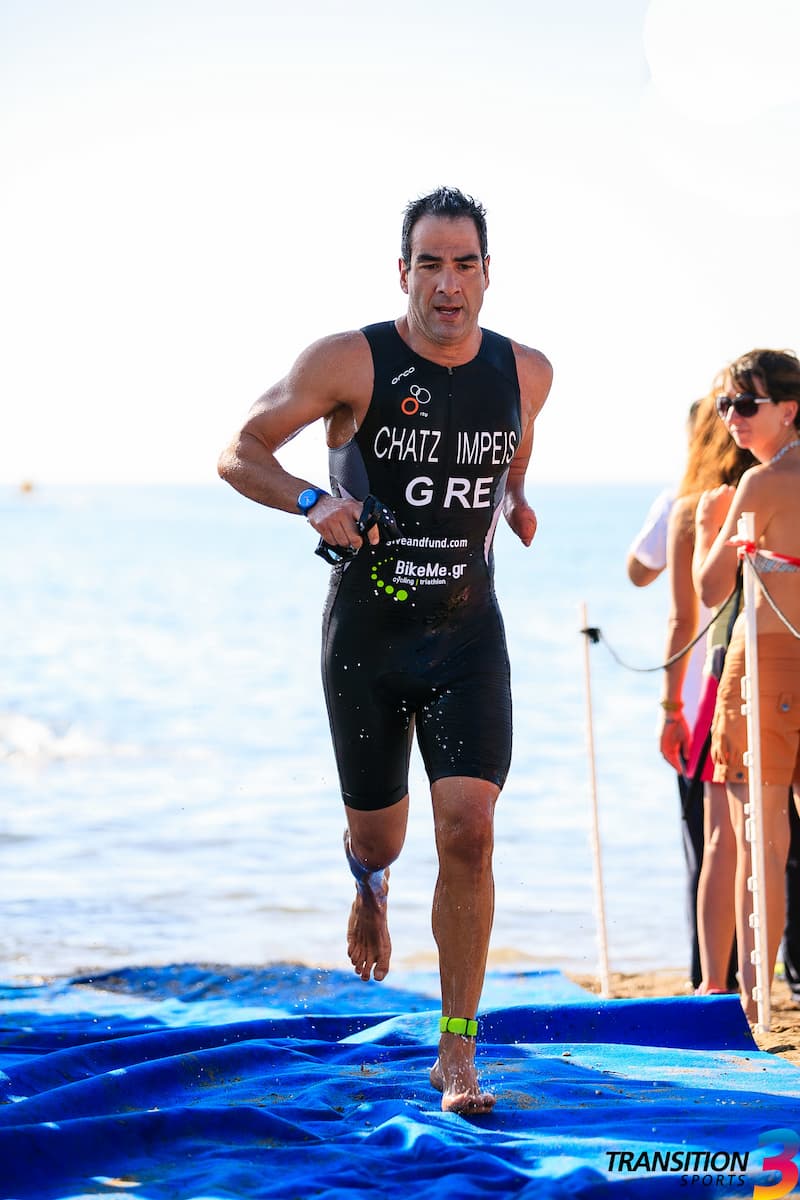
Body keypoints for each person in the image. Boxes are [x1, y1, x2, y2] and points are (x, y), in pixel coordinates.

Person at [217, 186, 553, 1112]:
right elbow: (240, 449)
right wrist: (309, 500)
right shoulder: (347, 361)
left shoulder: (527, 371)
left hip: (468, 636)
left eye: (464, 264)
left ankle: (457, 1052)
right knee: (384, 836)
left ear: (488, 272)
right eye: (430, 264)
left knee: (470, 832)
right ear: (402, 271)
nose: (448, 285)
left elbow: (514, 447)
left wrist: (514, 497)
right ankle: (369, 882)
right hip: (368, 638)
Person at [693, 348, 800, 1021]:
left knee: (759, 837)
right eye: (725, 404)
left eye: (746, 403)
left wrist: (712, 528)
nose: (731, 416)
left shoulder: (759, 484)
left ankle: (756, 998)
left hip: (763, 663)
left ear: (789, 409)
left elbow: (710, 589)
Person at [657, 390, 753, 995]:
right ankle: (759, 979)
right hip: (761, 672)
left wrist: (670, 707)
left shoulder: (693, 507)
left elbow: (681, 619)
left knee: (718, 838)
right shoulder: (780, 491)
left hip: (719, 685)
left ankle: (715, 982)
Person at [626, 401, 709, 989]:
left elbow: (638, 571)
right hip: (766, 684)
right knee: (784, 840)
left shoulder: (681, 501)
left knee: (706, 843)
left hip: (701, 693)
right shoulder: (771, 493)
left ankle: (712, 972)